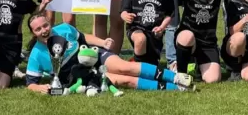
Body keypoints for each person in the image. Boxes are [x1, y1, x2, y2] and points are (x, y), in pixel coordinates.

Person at [25, 14, 194, 93]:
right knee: (124, 80)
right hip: (80, 74)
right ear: (33, 33)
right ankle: (177, 88)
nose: (44, 30)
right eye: (38, 29)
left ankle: (175, 77)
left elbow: (85, 37)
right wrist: (40, 87)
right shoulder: (36, 55)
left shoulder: (63, 28)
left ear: (49, 23)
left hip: (94, 56)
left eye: (45, 25)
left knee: (124, 67)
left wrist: (102, 42)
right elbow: (30, 83)